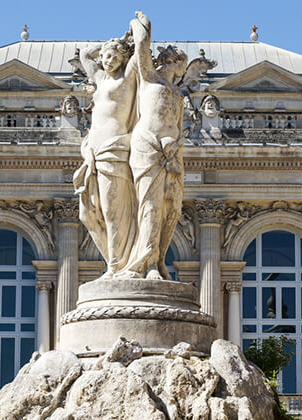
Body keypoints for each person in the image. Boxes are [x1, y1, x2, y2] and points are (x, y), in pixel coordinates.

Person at [119, 11, 188, 280]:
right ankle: (145, 263)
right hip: (148, 147)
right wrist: (141, 26)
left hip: (172, 153)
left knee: (172, 210)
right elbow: (141, 46)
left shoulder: (178, 94)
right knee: (151, 206)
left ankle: (157, 260)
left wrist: (176, 147)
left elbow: (177, 126)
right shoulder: (148, 79)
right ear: (177, 63)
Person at [73, 33, 139, 279]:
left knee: (112, 214)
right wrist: (110, 45)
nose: (108, 60)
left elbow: (141, 48)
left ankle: (116, 267)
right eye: (105, 57)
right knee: (88, 214)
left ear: (124, 60)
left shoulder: (127, 80)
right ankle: (116, 262)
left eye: (114, 57)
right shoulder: (100, 79)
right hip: (93, 151)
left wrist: (126, 42)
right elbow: (84, 55)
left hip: (114, 150)